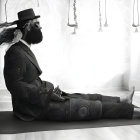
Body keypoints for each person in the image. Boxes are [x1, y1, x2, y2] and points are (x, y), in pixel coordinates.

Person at [1, 8, 140, 121]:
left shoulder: (23, 49)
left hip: (41, 98)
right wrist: (47, 93)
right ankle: (133, 111)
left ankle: (123, 99)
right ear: (27, 27)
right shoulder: (15, 53)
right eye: (36, 24)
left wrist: (49, 92)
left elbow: (29, 81)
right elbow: (16, 86)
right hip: (32, 109)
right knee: (89, 106)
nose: (40, 26)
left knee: (84, 97)